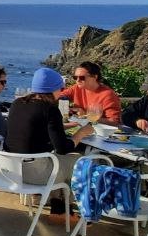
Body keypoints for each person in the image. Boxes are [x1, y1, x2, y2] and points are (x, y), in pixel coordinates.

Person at [5, 67, 94, 214]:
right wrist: (81, 132)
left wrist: (62, 126)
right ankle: (75, 211)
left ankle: (58, 207)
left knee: (59, 162)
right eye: (61, 88)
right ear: (53, 89)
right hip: (35, 173)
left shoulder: (17, 104)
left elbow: (33, 129)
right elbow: (63, 148)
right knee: (82, 162)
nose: (62, 92)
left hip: (11, 169)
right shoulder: (50, 109)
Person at [58, 61, 122, 124]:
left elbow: (114, 121)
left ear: (95, 77)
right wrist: (66, 107)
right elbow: (59, 96)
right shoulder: (76, 88)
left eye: (82, 77)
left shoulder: (108, 95)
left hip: (101, 131)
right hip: (81, 127)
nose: (78, 80)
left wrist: (87, 117)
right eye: (75, 77)